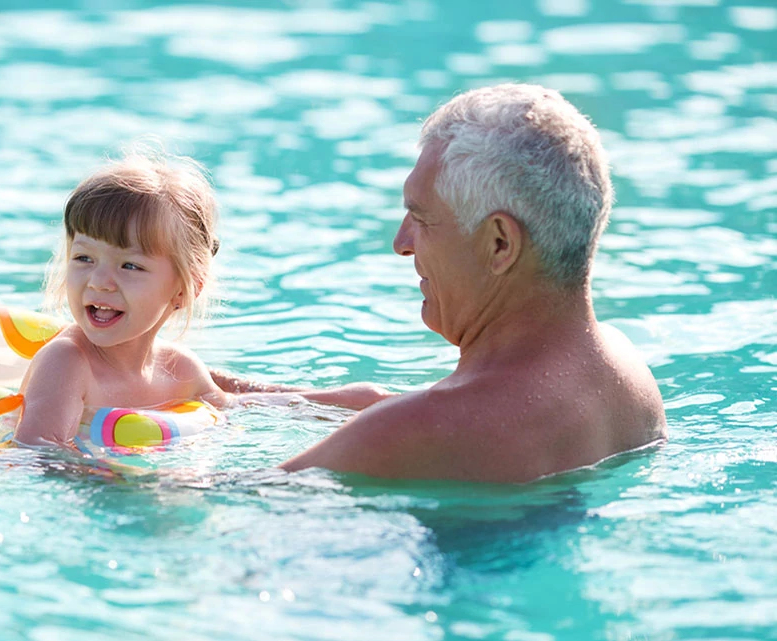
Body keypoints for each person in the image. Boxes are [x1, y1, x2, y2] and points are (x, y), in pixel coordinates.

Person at [214, 83, 667, 482]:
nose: (401, 243)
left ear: (499, 244)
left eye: (422, 219)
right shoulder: (626, 376)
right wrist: (221, 391)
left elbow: (221, 504)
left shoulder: (415, 431)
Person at [0, 150, 387, 451]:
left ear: (185, 288)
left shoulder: (179, 369)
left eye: (130, 265)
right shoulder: (66, 365)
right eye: (83, 258)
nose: (99, 281)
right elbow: (36, 465)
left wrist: (343, 397)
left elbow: (238, 408)